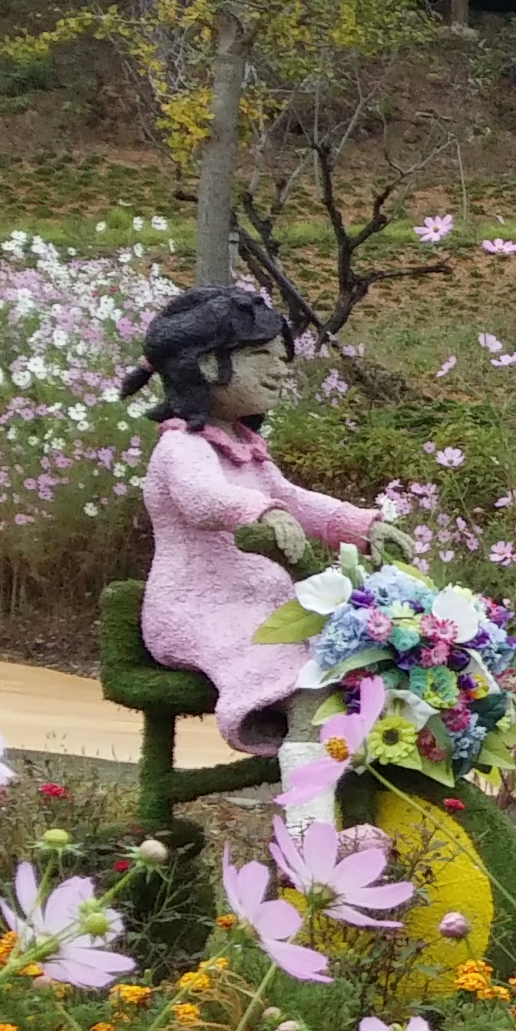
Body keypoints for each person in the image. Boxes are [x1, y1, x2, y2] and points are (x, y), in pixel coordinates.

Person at [123, 287, 379, 755]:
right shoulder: (182, 447)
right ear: (206, 364)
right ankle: (308, 790)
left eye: (281, 358)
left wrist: (360, 526)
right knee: (302, 677)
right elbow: (202, 499)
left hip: (260, 602)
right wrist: (258, 511)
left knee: (360, 648)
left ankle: (350, 766)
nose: (279, 369)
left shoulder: (247, 451)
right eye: (261, 356)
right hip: (202, 608)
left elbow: (294, 499)